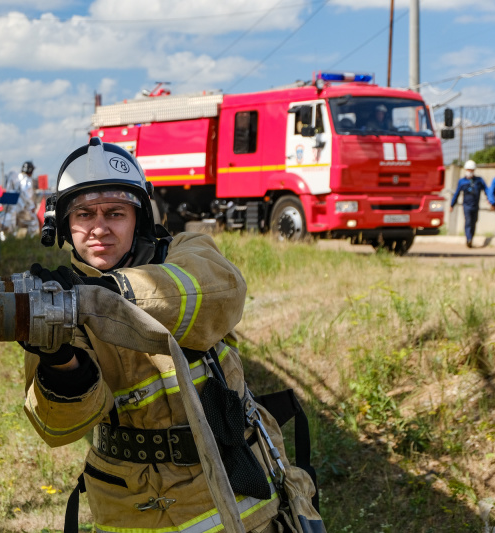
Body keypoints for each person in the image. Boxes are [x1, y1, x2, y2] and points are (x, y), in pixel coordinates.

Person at [21, 138, 323, 533]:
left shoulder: (185, 251)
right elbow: (57, 428)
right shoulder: (58, 304)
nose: (99, 228)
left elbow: (222, 291)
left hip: (235, 489)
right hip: (132, 506)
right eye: (83, 215)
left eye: (115, 213)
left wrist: (106, 296)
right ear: (62, 225)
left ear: (140, 219)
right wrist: (59, 359)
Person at [0, 161, 39, 239]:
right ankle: (31, 239)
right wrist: (32, 206)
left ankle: (6, 239)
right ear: (30, 171)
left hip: (12, 206)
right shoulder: (27, 180)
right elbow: (27, 195)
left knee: (9, 224)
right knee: (33, 222)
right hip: (22, 207)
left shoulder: (15, 177)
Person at [450, 160, 488, 248]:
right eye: (468, 170)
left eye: (471, 170)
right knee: (468, 221)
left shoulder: (479, 180)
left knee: (473, 222)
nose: (470, 172)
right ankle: (469, 239)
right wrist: (452, 205)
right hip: (466, 206)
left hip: (475, 206)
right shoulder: (462, 181)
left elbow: (486, 190)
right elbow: (457, 193)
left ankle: (471, 238)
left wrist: (490, 200)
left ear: (474, 170)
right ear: (465, 170)